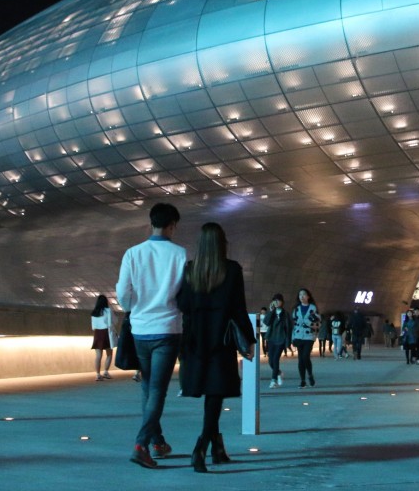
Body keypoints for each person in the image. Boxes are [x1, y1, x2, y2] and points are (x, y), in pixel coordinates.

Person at [176, 222, 256, 473]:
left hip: (196, 339)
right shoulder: (231, 270)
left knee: (211, 393)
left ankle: (217, 448)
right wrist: (250, 341)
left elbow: (182, 304)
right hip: (220, 340)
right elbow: (239, 309)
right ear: (223, 243)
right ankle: (201, 447)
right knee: (215, 394)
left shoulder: (190, 270)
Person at [115, 202, 186, 469]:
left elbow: (123, 292)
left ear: (151, 222)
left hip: (141, 329)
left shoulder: (133, 253)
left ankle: (157, 441)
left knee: (148, 386)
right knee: (157, 389)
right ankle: (141, 444)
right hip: (168, 328)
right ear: (172, 225)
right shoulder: (179, 254)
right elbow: (182, 292)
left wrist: (133, 308)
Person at [291, 288, 320, 387]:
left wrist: (309, 323)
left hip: (309, 336)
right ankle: (303, 380)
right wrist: (293, 337)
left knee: (305, 356)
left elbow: (318, 322)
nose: (301, 297)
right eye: (300, 295)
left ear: (308, 296)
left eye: (304, 295)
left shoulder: (313, 308)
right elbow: (294, 324)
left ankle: (310, 375)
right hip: (298, 335)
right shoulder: (296, 309)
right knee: (300, 359)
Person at [263, 294, 291, 388]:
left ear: (282, 302)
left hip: (281, 339)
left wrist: (288, 341)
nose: (277, 302)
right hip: (271, 339)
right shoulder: (272, 313)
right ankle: (278, 373)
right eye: (275, 301)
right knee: (270, 361)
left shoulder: (285, 314)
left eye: (278, 300)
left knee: (275, 359)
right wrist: (271, 311)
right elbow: (266, 322)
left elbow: (289, 328)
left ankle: (273, 380)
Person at [90, 294, 116, 380]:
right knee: (109, 354)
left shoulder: (94, 312)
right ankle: (106, 372)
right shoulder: (108, 311)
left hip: (97, 333)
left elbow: (93, 326)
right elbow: (114, 321)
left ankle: (97, 374)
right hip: (106, 333)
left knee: (98, 355)